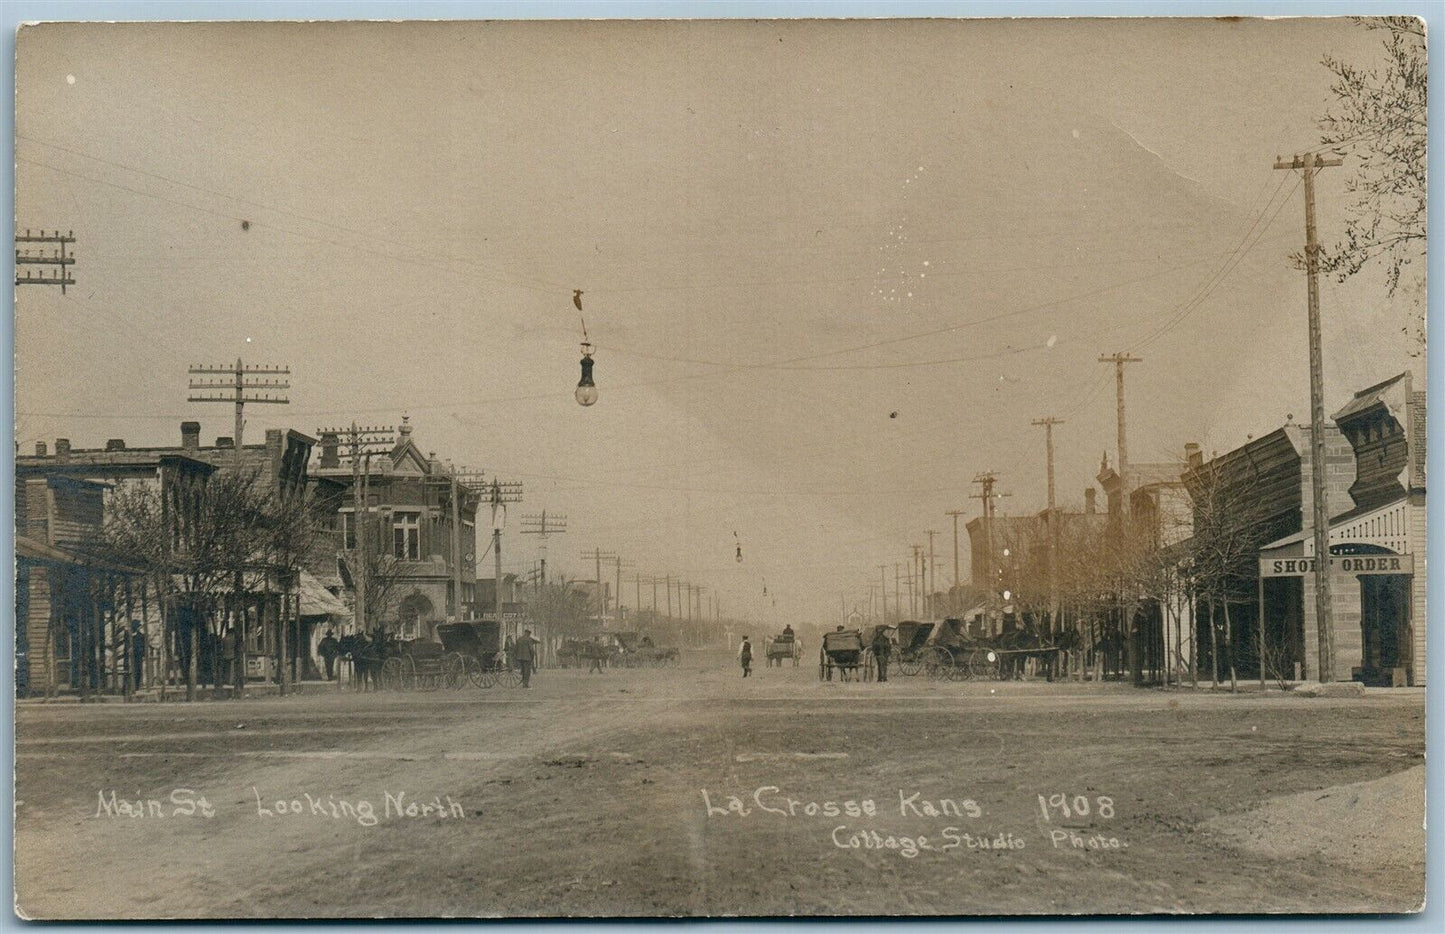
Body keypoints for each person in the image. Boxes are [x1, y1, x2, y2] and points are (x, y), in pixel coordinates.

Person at [129, 620, 146, 691]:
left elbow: (143, 646)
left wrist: (142, 653)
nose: (139, 627)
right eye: (138, 626)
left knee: (138, 670)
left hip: (137, 656)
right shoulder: (128, 636)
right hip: (129, 656)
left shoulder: (141, 636)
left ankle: (136, 686)